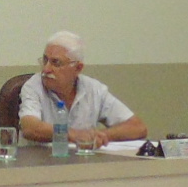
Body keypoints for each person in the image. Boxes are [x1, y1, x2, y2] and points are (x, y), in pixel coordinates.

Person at [18, 32, 147, 148]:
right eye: (45, 60)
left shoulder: (94, 89)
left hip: (84, 163)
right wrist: (73, 134)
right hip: (43, 162)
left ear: (78, 68)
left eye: (56, 63)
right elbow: (30, 128)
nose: (46, 69)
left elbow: (138, 127)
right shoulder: (33, 87)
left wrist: (98, 136)